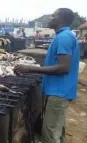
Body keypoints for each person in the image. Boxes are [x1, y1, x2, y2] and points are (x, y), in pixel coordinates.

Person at [14, 8, 79, 143]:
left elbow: (64, 67)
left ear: (61, 19)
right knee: (57, 131)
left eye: (53, 16)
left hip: (59, 93)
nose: (50, 18)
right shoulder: (63, 36)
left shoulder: (64, 37)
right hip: (57, 91)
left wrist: (30, 68)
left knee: (50, 134)